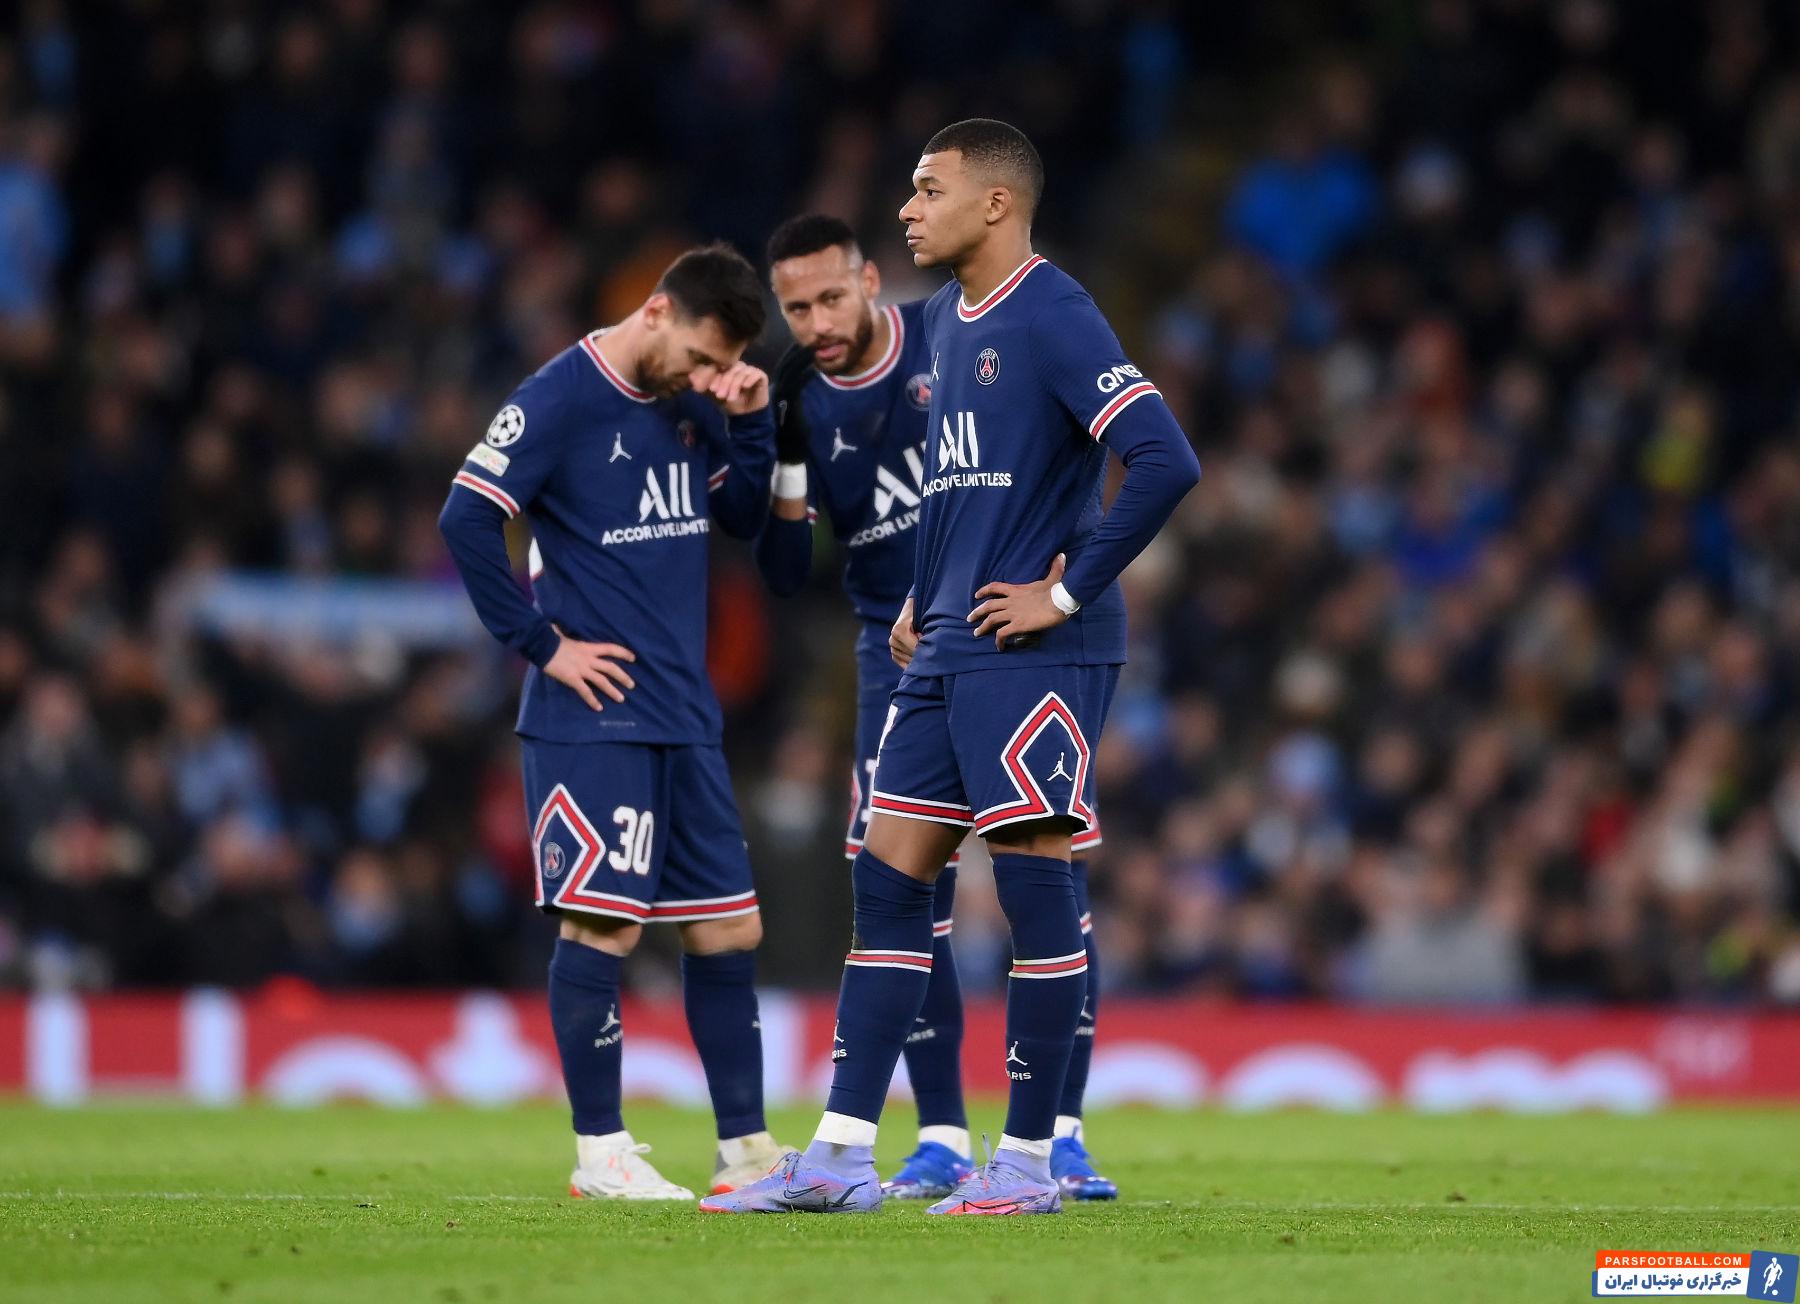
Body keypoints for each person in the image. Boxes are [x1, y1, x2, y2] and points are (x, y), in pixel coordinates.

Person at [705, 120, 1199, 1216]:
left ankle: (1027, 1159)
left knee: (1033, 888)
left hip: (1035, 647)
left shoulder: (1053, 310)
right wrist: (922, 597)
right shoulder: (943, 323)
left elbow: (1164, 456)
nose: (908, 208)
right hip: (944, 643)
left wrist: (1064, 594)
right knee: (888, 880)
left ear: (996, 203)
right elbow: (955, 484)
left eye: (929, 190)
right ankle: (840, 1156)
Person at [754, 213, 1118, 1201]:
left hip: (1000, 631)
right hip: (893, 650)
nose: (818, 323)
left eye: (832, 297)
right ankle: (942, 1136)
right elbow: (784, 571)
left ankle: (1060, 1135)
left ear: (871, 281)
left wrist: (1067, 586)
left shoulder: (952, 331)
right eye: (796, 308)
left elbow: (1080, 452)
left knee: (1048, 868)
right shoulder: (799, 398)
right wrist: (783, 450)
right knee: (902, 884)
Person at [438, 243, 787, 1200]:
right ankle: (601, 1152)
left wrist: (750, 422)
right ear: (658, 312)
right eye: (704, 358)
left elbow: (742, 519)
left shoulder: (693, 401)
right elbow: (465, 517)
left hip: (684, 712)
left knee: (729, 930)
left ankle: (747, 1153)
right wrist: (542, 645)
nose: (708, 377)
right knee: (602, 928)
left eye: (723, 366)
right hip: (593, 717)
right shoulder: (558, 397)